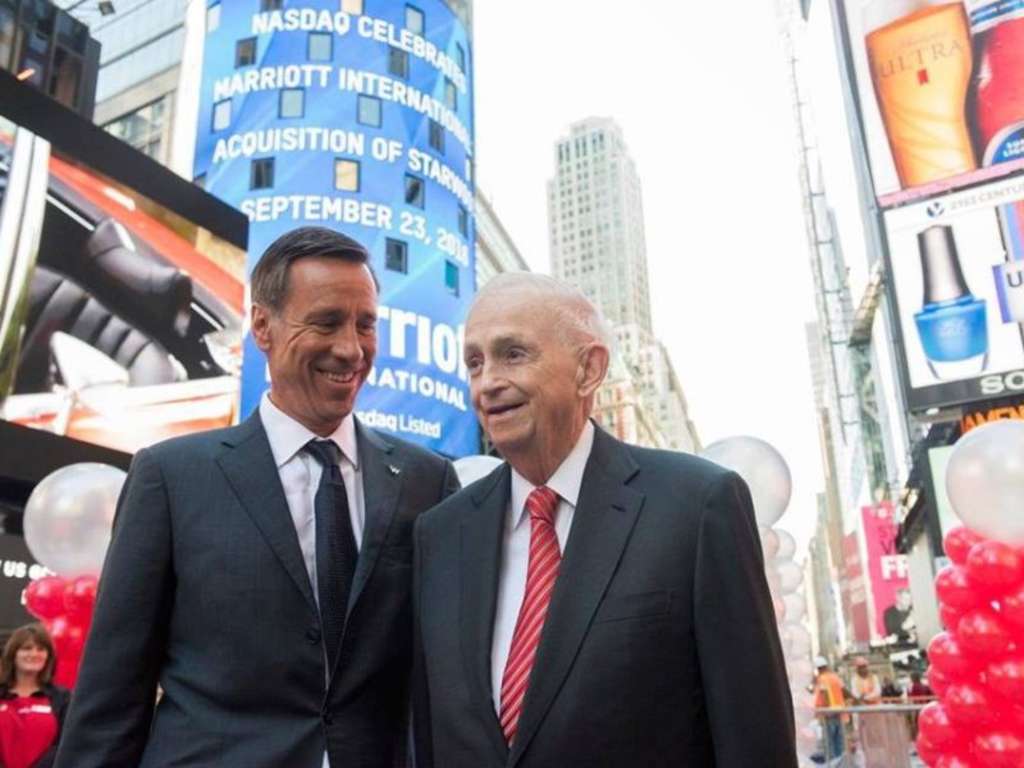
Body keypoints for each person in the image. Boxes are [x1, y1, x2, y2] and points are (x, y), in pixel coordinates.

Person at [55, 227, 459, 768]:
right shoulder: (171, 477)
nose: (351, 348)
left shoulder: (426, 481)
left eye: (366, 325)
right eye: (326, 322)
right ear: (263, 327)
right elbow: (111, 697)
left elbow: (446, 683)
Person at [411, 274, 797, 767]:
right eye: (474, 362)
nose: (487, 382)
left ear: (588, 370)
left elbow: (754, 740)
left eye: (513, 354)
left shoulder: (697, 507)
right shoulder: (440, 535)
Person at [0, 624, 69, 768]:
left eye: (41, 649)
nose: (34, 654)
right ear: (13, 654)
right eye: (27, 648)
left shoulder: (63, 698)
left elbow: (66, 743)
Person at [813, 656, 848, 764]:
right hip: (839, 714)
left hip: (828, 715)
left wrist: (825, 710)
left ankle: (834, 765)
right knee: (840, 744)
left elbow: (824, 694)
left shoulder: (821, 678)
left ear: (818, 669)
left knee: (830, 746)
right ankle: (842, 765)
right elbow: (845, 691)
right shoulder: (835, 677)